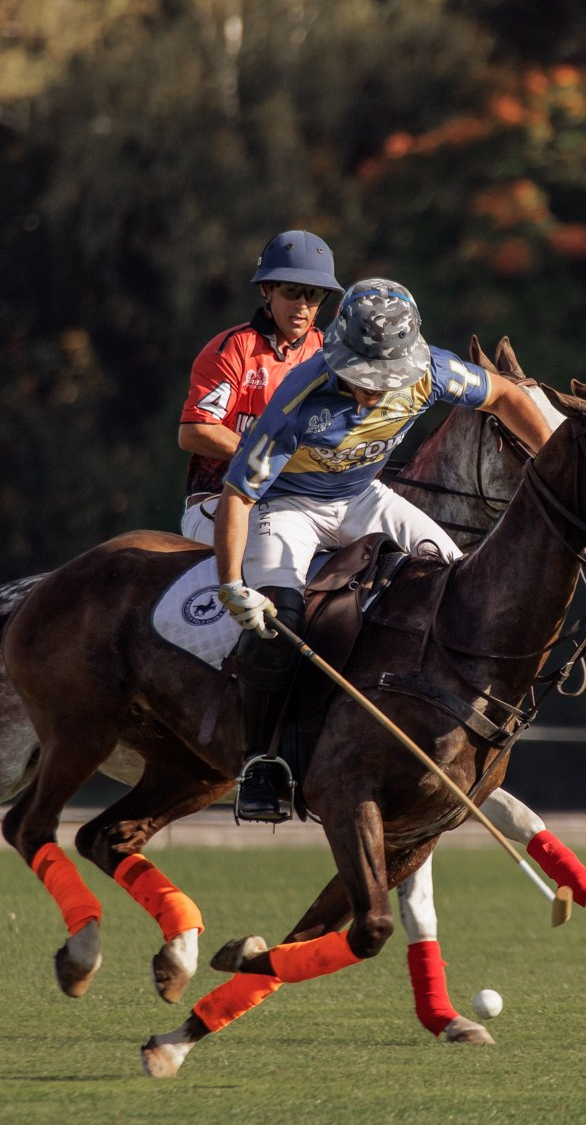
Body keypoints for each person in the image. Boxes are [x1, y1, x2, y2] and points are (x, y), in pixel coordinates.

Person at [212, 278, 555, 823]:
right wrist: (232, 584)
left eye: (386, 377)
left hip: (363, 496)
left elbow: (506, 395)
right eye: (363, 376)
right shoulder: (300, 396)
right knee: (279, 623)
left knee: (462, 586)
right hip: (288, 505)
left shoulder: (434, 370)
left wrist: (549, 463)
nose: (375, 391)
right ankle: (258, 763)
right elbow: (238, 494)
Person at [176, 230, 341, 544]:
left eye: (313, 294)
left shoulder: (330, 356)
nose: (302, 305)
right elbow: (195, 432)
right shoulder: (231, 349)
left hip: (301, 506)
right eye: (292, 291)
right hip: (218, 500)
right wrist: (272, 458)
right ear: (267, 290)